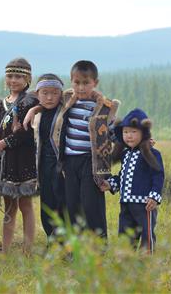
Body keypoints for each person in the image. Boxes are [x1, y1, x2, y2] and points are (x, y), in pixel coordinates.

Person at [27, 60, 120, 238]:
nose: (81, 88)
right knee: (73, 206)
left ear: (95, 83)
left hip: (90, 162)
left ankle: (98, 247)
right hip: (69, 162)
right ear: (71, 82)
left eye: (86, 83)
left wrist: (140, 142)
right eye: (76, 83)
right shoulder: (68, 99)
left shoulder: (104, 108)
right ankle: (77, 248)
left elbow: (113, 132)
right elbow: (43, 97)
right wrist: (34, 110)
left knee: (91, 204)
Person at [0, 57, 39, 254]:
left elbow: (26, 133)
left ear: (27, 79)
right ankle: (6, 248)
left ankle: (27, 249)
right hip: (6, 160)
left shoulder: (30, 101)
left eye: (19, 76)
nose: (14, 80)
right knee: (9, 206)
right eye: (10, 76)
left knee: (26, 203)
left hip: (24, 157)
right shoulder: (2, 103)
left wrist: (4, 143)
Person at [99, 108, 164, 253]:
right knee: (125, 234)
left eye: (134, 132)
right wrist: (110, 184)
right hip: (126, 203)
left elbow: (158, 176)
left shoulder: (152, 154)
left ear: (144, 133)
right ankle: (126, 261)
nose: (129, 136)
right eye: (126, 132)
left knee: (147, 234)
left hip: (144, 204)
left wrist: (154, 196)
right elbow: (123, 175)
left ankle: (146, 261)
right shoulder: (125, 154)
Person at [30, 73, 66, 240]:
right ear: (37, 94)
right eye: (45, 93)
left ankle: (65, 242)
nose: (50, 97)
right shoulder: (37, 115)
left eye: (54, 93)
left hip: (63, 167)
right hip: (43, 165)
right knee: (47, 204)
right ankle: (51, 239)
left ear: (61, 94)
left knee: (63, 203)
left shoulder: (66, 111)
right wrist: (34, 108)